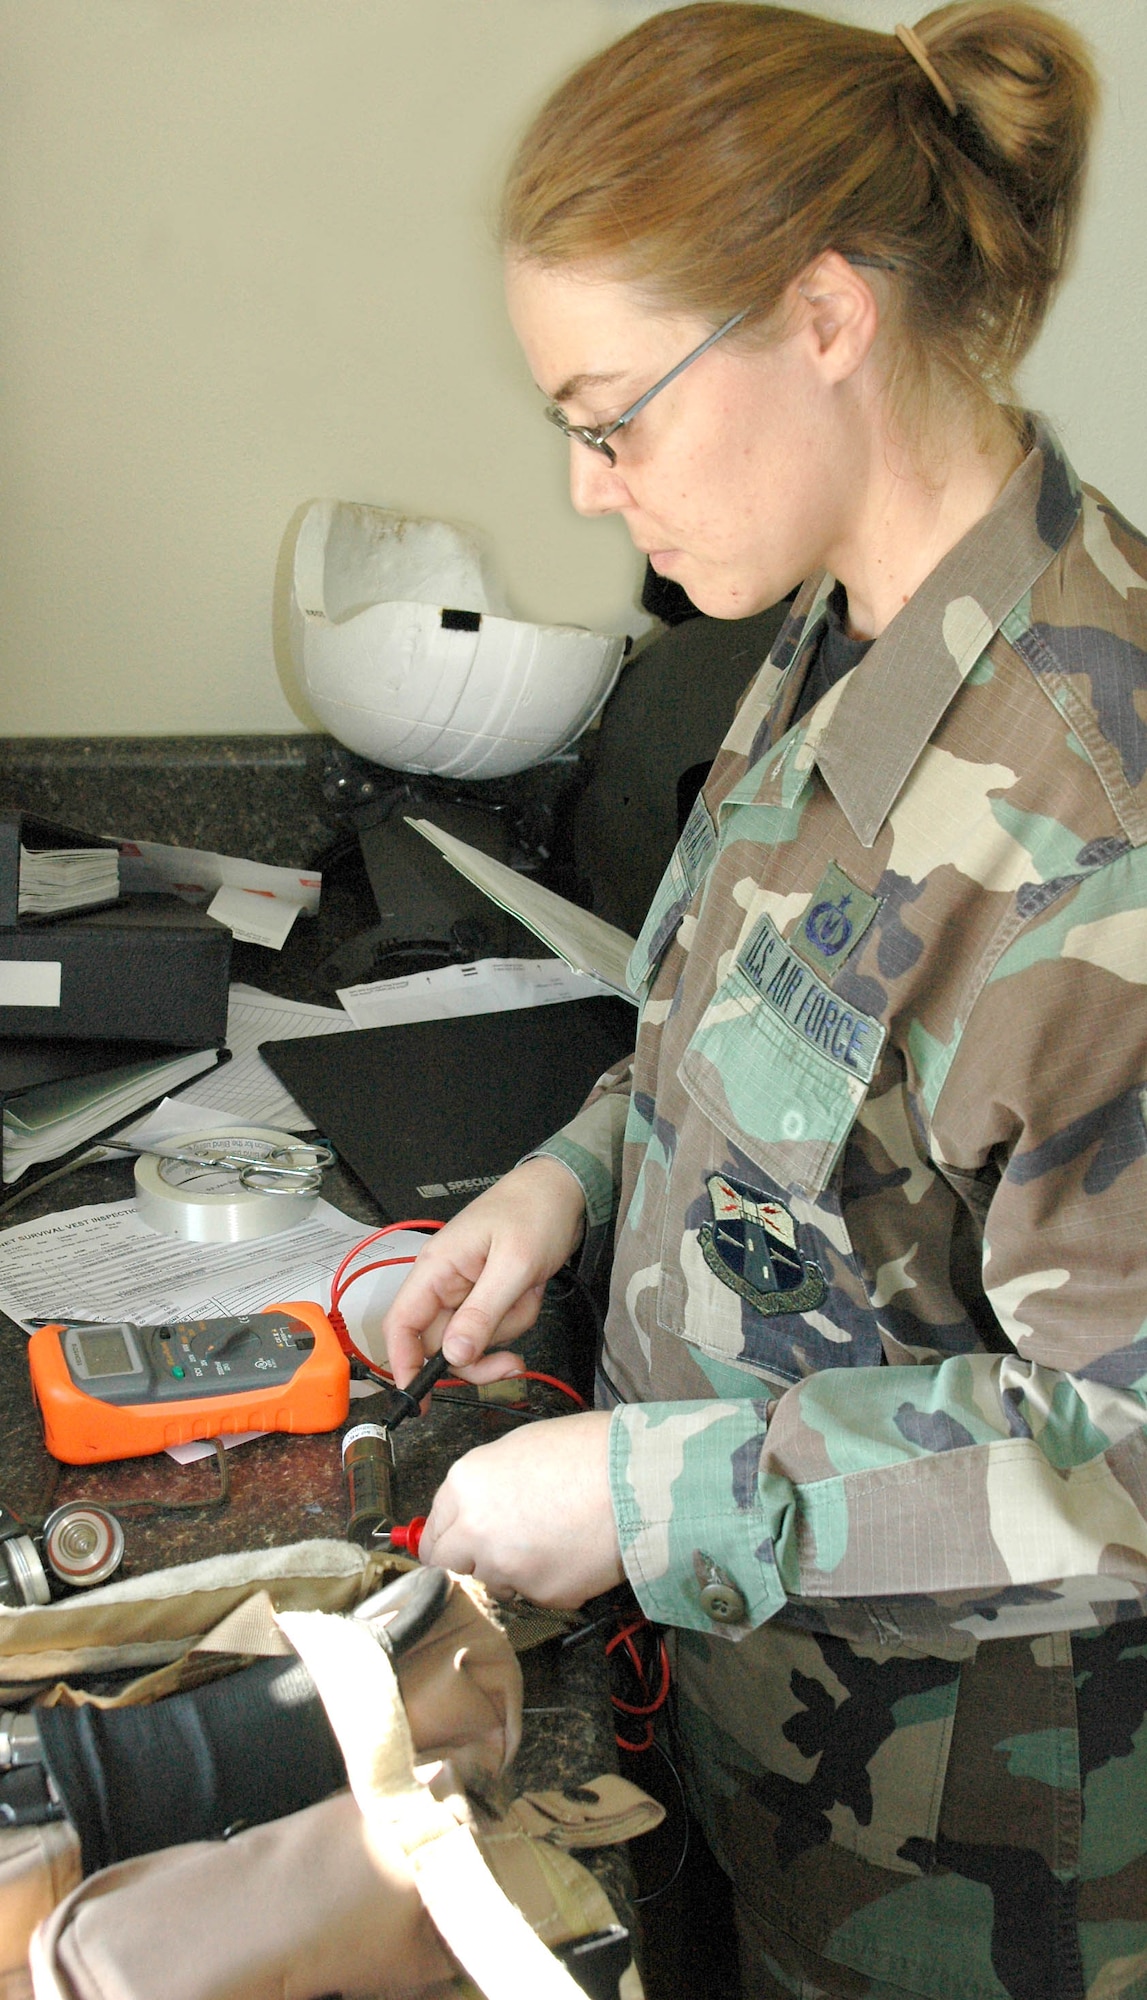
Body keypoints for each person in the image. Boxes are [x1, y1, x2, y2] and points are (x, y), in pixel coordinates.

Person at [381, 6, 1147, 1995]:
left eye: (610, 413)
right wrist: (567, 1178)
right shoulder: (826, 622)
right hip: (748, 1768)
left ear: (821, 317)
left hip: (984, 1881)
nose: (580, 485)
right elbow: (746, 1045)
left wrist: (643, 1490)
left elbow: (1130, 1448)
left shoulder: (1104, 811)